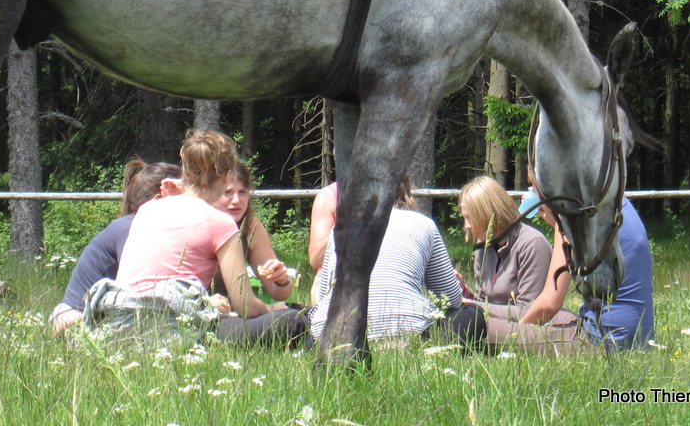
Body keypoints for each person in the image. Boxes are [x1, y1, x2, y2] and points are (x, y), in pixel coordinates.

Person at [90, 130, 288, 343]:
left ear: (185, 171)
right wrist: (274, 309)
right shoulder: (221, 223)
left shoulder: (148, 209)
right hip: (176, 329)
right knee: (293, 320)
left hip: (119, 322)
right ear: (226, 176)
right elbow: (245, 305)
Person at [309, 176, 486, 347]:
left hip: (331, 338)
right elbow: (452, 300)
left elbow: (324, 298)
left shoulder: (339, 229)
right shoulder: (424, 224)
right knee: (471, 315)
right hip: (405, 334)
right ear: (406, 194)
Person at [485, 194, 655, 355]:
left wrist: (519, 334)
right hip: (640, 337)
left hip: (601, 344)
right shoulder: (619, 202)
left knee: (471, 325)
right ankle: (477, 306)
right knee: (547, 313)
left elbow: (549, 305)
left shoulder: (572, 218)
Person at [50, 158, 182, 336]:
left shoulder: (134, 225)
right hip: (75, 318)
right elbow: (140, 286)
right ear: (161, 197)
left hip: (97, 315)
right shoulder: (130, 228)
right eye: (184, 198)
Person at [457, 175, 551, 321]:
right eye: (464, 219)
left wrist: (471, 305)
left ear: (489, 213)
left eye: (470, 218)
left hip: (525, 331)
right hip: (494, 324)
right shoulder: (483, 246)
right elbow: (484, 303)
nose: (467, 226)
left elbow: (529, 312)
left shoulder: (532, 244)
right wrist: (464, 292)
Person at [211, 162, 294, 302]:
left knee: (300, 314)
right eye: (227, 192)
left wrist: (281, 279)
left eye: (242, 192)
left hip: (234, 316)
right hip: (196, 315)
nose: (236, 200)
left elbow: (279, 294)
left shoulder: (250, 227)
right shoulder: (195, 224)